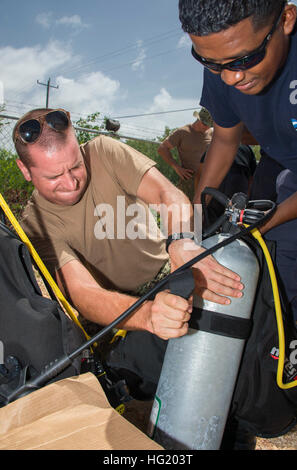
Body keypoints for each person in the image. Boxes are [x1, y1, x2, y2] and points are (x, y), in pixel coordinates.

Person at [13, 108, 243, 400]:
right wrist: (148, 316)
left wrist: (183, 242)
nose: (71, 183)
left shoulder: (103, 150)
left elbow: (167, 195)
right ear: (25, 170)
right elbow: (82, 293)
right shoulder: (35, 222)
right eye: (54, 176)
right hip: (116, 309)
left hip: (167, 272)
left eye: (75, 166)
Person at [178, 0, 297, 448]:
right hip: (279, 164)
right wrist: (194, 217)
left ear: (286, 19)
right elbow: (225, 141)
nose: (231, 77)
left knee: (282, 269)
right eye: (212, 63)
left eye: (245, 60)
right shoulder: (224, 58)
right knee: (242, 259)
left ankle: (276, 391)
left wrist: (268, 226)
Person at [157, 107, 213, 200]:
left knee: (202, 212)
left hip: (207, 180)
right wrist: (177, 167)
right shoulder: (183, 132)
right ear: (199, 119)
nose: (207, 127)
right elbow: (162, 148)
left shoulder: (211, 133)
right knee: (184, 211)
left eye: (209, 125)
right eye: (205, 124)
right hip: (189, 180)